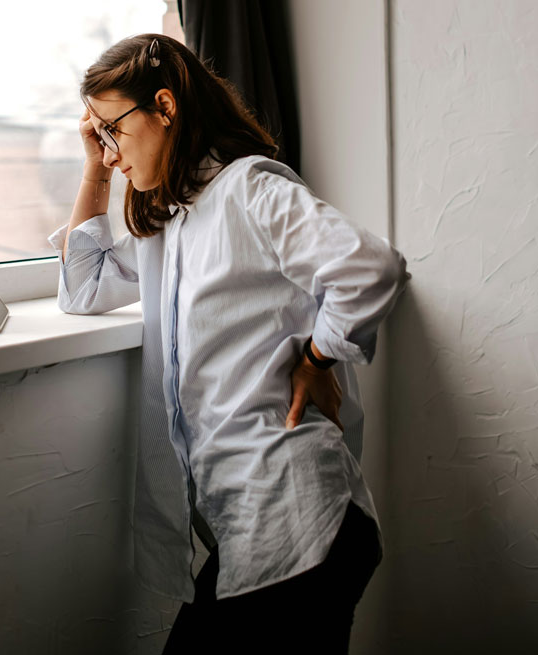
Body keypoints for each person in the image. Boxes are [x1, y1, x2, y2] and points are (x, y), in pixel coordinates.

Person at [48, 33, 408, 654]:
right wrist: (90, 165)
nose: (108, 154)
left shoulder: (250, 188)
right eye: (97, 137)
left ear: (165, 107)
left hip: (301, 523)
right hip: (253, 536)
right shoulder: (170, 219)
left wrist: (318, 356)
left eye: (112, 133)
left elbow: (371, 267)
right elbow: (83, 285)